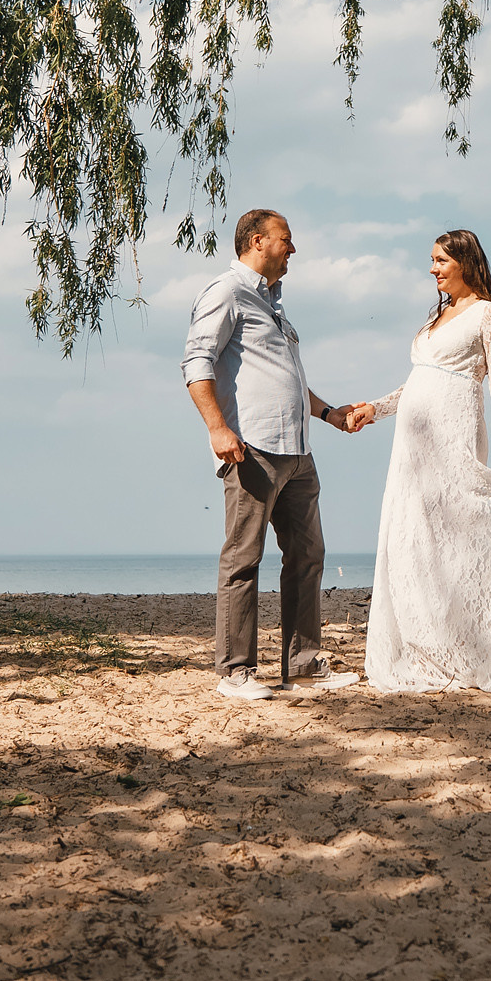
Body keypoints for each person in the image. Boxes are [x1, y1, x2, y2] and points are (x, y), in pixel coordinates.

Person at [345, 229, 491, 693]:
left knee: (453, 535)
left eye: (440, 261)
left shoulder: (486, 313)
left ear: (465, 262)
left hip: (453, 434)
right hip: (411, 448)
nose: (432, 269)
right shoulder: (438, 316)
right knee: (413, 538)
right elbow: (418, 382)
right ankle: (425, 645)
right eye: (431, 261)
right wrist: (376, 408)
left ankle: (467, 646)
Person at [183, 209, 368, 700]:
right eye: (286, 240)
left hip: (298, 452)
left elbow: (287, 380)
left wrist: (328, 414)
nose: (294, 249)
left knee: (308, 556)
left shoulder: (274, 305)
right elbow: (196, 361)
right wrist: (217, 428)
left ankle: (302, 666)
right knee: (244, 558)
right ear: (258, 241)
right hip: (253, 448)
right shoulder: (226, 292)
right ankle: (235, 672)